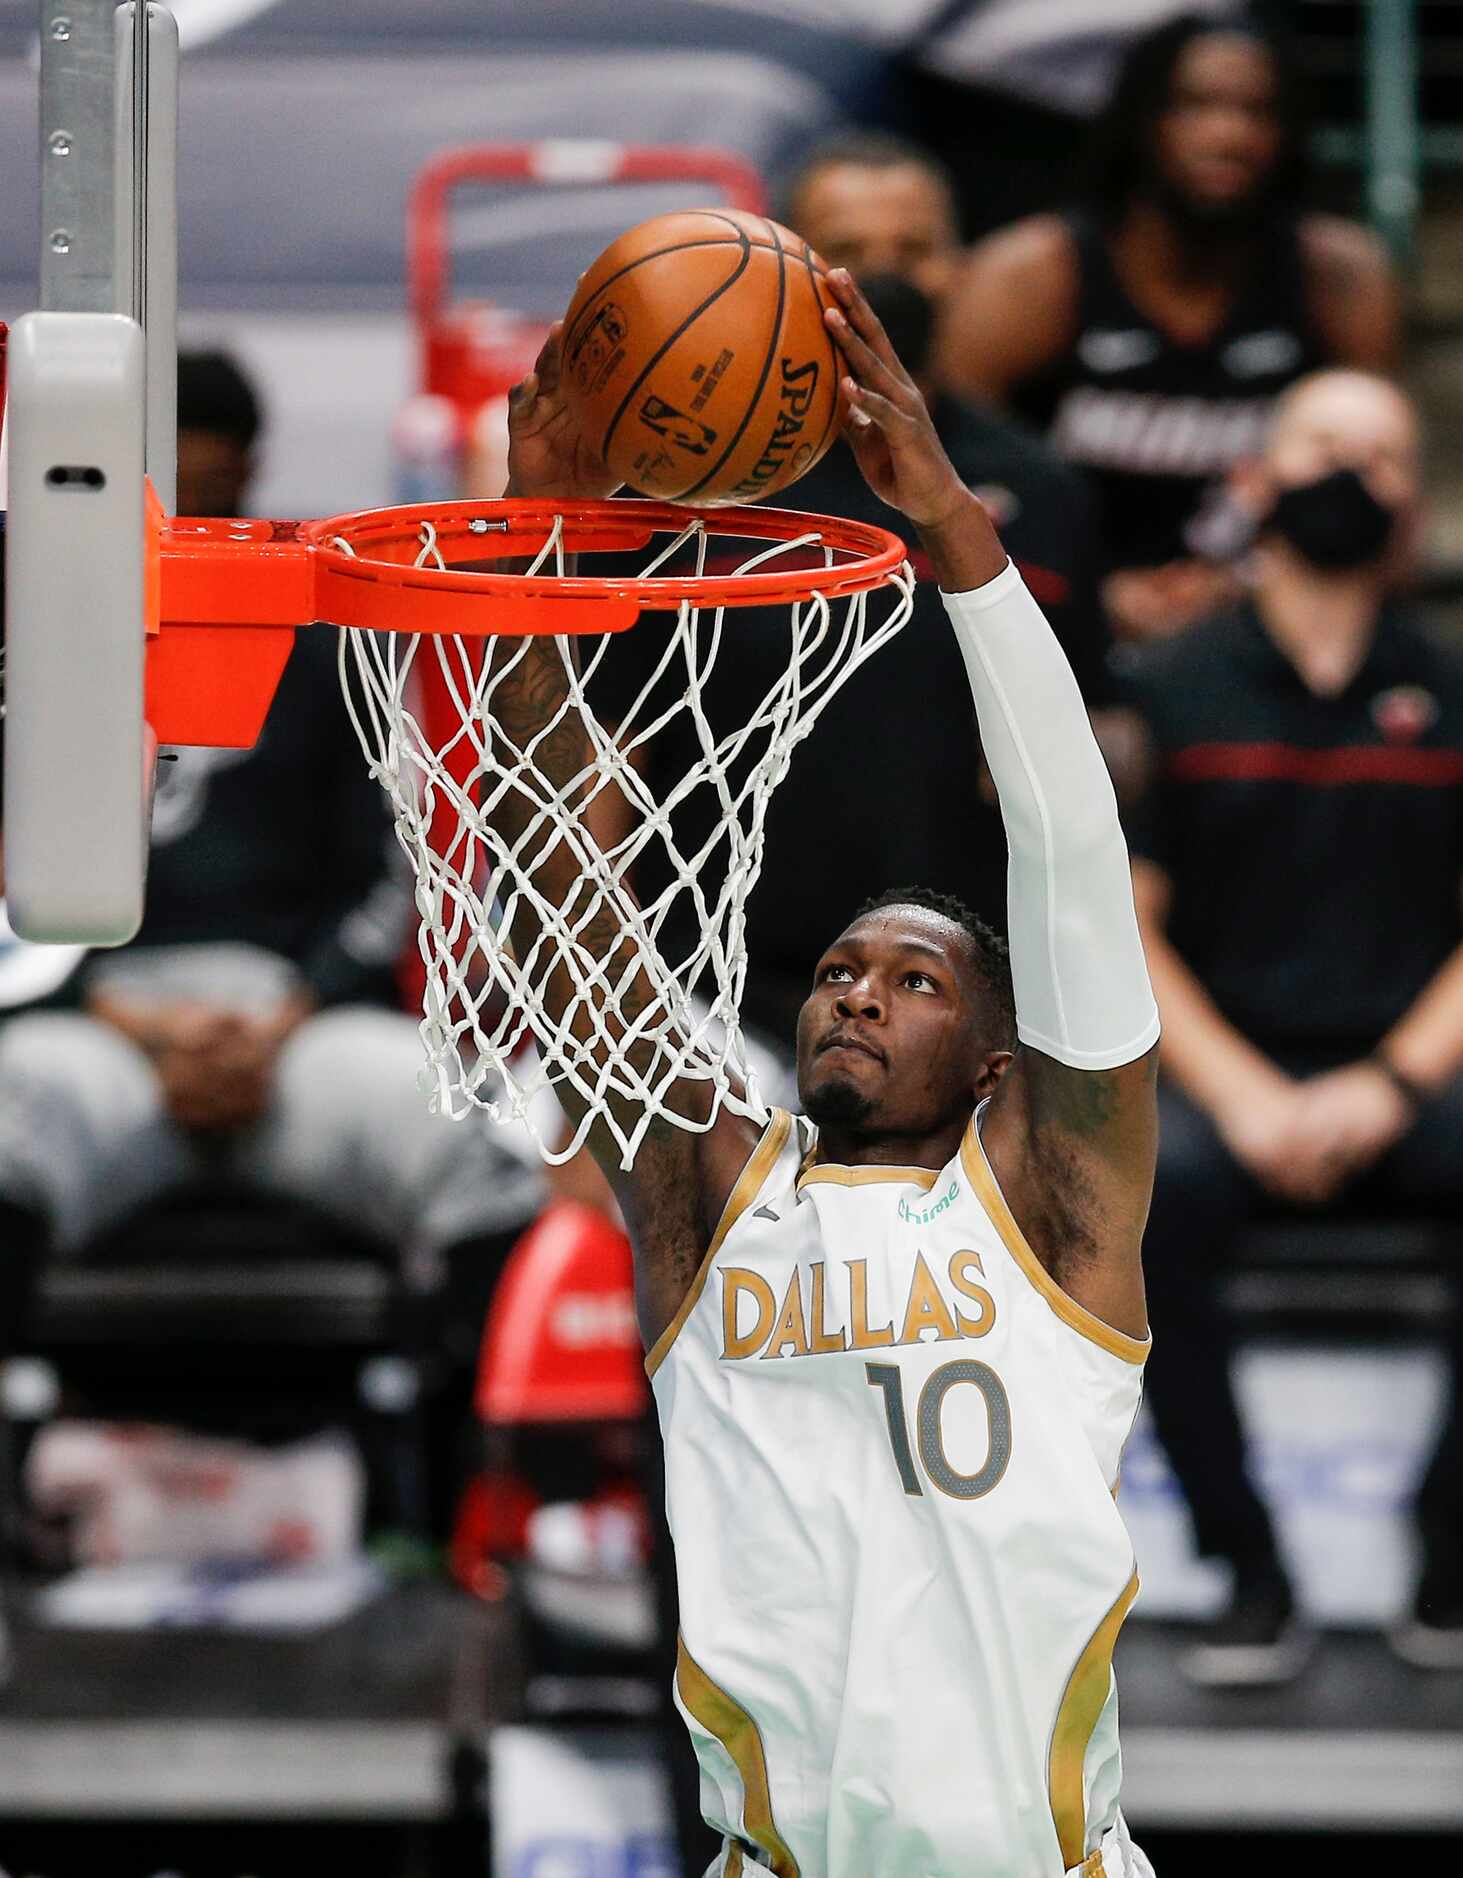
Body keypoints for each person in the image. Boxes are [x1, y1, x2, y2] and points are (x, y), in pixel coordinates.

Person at [492, 273, 1161, 1877]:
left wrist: (952, 531)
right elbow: (564, 887)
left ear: (997, 1054)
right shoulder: (713, 1200)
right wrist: (538, 546)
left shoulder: (1052, 1211)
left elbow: (1066, 845)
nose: (853, 992)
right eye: (839, 971)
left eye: (912, 976)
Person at [0, 352, 542, 1355]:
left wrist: (289, 1013)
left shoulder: (319, 623)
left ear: (253, 474)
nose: (198, 512)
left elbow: (394, 873)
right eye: (179, 488)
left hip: (289, 1025)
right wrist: (115, 1018)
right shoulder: (33, 623)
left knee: (479, 1147)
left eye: (221, 486)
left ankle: (457, 1477)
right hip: (97, 1022)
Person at [1126, 369, 1463, 1682]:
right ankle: (1245, 1568)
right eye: (1324, 445)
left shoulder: (1442, 685)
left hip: (1401, 1069)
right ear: (1255, 483)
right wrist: (1248, 1096)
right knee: (1140, 1196)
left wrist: (1385, 1079)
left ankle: (1446, 1554)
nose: (1350, 472)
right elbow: (1126, 933)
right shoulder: (1170, 684)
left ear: (1407, 505)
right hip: (1223, 1073)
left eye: (1380, 456)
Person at [936, 13, 1401, 642]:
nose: (1229, 134)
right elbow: (947, 478)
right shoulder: (1032, 276)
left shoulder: (1337, 278)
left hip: (1265, 627)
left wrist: (1254, 583)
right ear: (1140, 120)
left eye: (1257, 111)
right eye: (1195, 105)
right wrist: (1087, 589)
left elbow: (1390, 504)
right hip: (1053, 616)